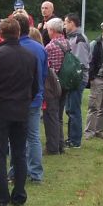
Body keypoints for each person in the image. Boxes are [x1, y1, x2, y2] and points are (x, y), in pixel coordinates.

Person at [0, 17, 39, 206]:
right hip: (20, 110)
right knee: (19, 153)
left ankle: (0, 198)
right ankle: (19, 194)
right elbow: (35, 85)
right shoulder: (30, 56)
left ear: (1, 34)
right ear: (19, 33)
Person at [14, 13, 47, 183]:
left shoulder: (14, 48)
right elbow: (44, 73)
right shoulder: (40, 48)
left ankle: (14, 171)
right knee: (33, 137)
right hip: (36, 97)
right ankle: (36, 174)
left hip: (17, 99)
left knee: (14, 137)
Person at [43, 18, 70, 155]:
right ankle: (60, 144)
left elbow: (48, 67)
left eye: (48, 30)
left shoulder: (50, 46)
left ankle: (52, 147)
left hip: (53, 85)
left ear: (52, 31)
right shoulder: (67, 43)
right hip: (65, 83)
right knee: (58, 116)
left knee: (50, 116)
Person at [63, 13, 91, 148]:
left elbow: (80, 64)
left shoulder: (79, 39)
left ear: (72, 23)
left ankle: (75, 141)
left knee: (74, 110)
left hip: (77, 80)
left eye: (65, 22)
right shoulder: (73, 38)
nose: (64, 25)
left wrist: (72, 80)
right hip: (73, 80)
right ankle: (71, 138)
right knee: (70, 109)